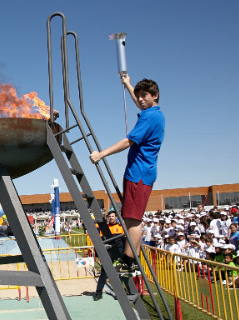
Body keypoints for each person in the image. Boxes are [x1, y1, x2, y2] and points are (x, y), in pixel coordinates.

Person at [90, 74, 165, 272]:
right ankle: (133, 260)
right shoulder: (154, 113)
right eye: (138, 95)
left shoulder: (150, 117)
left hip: (139, 174)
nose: (139, 99)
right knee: (131, 218)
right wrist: (128, 84)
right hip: (138, 173)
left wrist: (101, 154)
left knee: (133, 219)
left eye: (144, 96)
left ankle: (129, 261)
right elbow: (139, 102)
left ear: (155, 96)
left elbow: (127, 141)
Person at [93, 210, 125, 301]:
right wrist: (99, 255)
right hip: (108, 253)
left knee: (119, 273)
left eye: (112, 216)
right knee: (104, 273)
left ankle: (119, 293)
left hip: (118, 252)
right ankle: (98, 293)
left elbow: (124, 241)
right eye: (109, 216)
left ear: (116, 217)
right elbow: (100, 242)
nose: (111, 218)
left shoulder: (120, 227)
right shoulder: (104, 228)